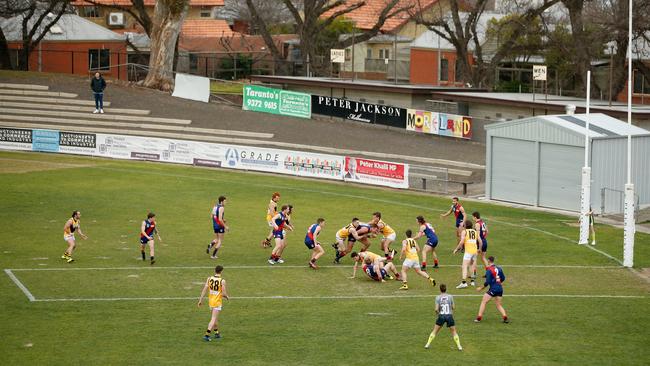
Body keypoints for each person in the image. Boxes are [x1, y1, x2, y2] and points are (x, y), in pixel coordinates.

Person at [425, 284, 463, 351]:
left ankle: (427, 344)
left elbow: (436, 309)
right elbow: (453, 307)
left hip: (441, 316)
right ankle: (459, 346)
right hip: (449, 316)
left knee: (435, 331)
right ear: (446, 289)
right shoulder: (450, 296)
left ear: (440, 289)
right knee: (454, 331)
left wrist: (438, 314)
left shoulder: (438, 297)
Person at [198, 265, 230, 341]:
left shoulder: (209, 278)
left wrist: (200, 300)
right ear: (221, 271)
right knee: (213, 319)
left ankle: (216, 333)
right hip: (217, 302)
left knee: (215, 318)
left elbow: (204, 289)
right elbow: (224, 293)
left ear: (215, 270)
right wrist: (227, 297)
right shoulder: (222, 281)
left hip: (211, 301)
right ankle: (206, 335)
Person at [475, 256, 509, 324]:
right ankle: (505, 316)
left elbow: (487, 282)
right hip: (500, 289)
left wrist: (481, 288)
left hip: (493, 289)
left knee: (484, 301)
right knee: (498, 305)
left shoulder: (489, 270)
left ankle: (479, 317)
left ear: (488, 261)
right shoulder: (499, 268)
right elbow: (503, 278)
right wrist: (498, 282)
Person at [452, 220, 482, 289]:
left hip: (468, 251)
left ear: (465, 225)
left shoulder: (464, 231)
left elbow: (462, 241)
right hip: (475, 251)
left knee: (464, 266)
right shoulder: (475, 232)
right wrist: (479, 249)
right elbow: (480, 241)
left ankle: (464, 283)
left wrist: (456, 249)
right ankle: (472, 281)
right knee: (471, 265)